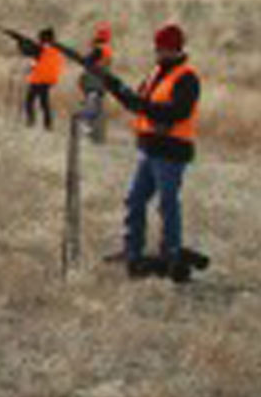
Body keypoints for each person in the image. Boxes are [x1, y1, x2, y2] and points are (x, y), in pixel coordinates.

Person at [97, 23, 201, 282]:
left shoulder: (187, 77)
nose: (157, 52)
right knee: (134, 200)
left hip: (171, 151)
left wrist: (143, 105)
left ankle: (172, 253)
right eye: (157, 47)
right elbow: (138, 103)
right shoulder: (156, 72)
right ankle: (132, 250)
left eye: (162, 48)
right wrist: (112, 86)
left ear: (175, 48)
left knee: (167, 204)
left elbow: (178, 112)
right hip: (148, 148)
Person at [17, 27, 64, 130]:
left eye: (41, 37)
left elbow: (26, 52)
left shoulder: (41, 49)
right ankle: (48, 125)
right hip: (49, 80)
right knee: (44, 102)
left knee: (29, 100)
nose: (39, 40)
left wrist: (20, 42)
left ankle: (30, 121)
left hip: (38, 79)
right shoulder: (56, 49)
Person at [77, 22, 113, 143]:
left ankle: (87, 128)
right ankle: (97, 136)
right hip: (100, 83)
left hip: (94, 83)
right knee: (97, 109)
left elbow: (86, 62)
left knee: (91, 106)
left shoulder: (98, 50)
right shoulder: (107, 50)